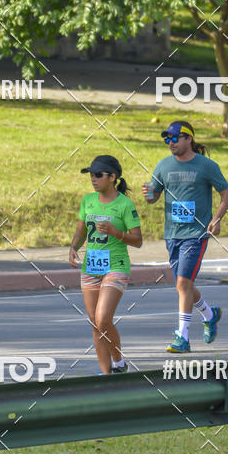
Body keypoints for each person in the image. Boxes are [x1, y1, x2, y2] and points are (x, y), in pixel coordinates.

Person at [141, 120, 228, 353]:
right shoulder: (163, 166)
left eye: (174, 138)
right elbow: (153, 197)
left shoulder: (206, 166)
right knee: (185, 285)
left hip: (196, 234)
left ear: (188, 139)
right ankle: (209, 315)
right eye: (167, 139)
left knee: (182, 283)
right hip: (172, 234)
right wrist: (149, 194)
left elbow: (226, 194)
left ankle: (182, 337)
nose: (170, 143)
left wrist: (217, 218)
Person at [69, 155, 142, 374]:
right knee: (94, 323)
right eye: (91, 174)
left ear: (112, 177)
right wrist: (73, 247)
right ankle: (106, 375)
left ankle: (118, 361)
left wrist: (116, 232)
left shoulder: (124, 205)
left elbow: (137, 240)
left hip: (116, 266)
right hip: (90, 267)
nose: (93, 179)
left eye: (98, 174)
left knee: (103, 319)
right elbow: (82, 231)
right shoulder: (88, 201)